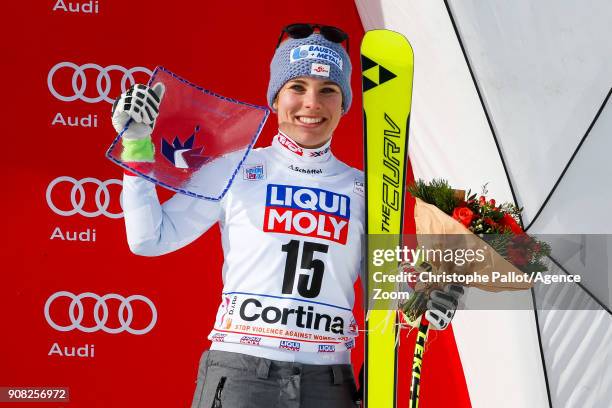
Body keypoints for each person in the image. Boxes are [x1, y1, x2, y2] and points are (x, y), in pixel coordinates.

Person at [111, 23, 462, 408]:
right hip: (242, 375)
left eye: (328, 90)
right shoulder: (237, 167)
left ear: (344, 104)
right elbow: (149, 238)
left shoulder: (364, 190)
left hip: (328, 383)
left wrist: (426, 300)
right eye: (297, 87)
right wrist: (136, 143)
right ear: (275, 99)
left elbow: (387, 289)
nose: (312, 103)